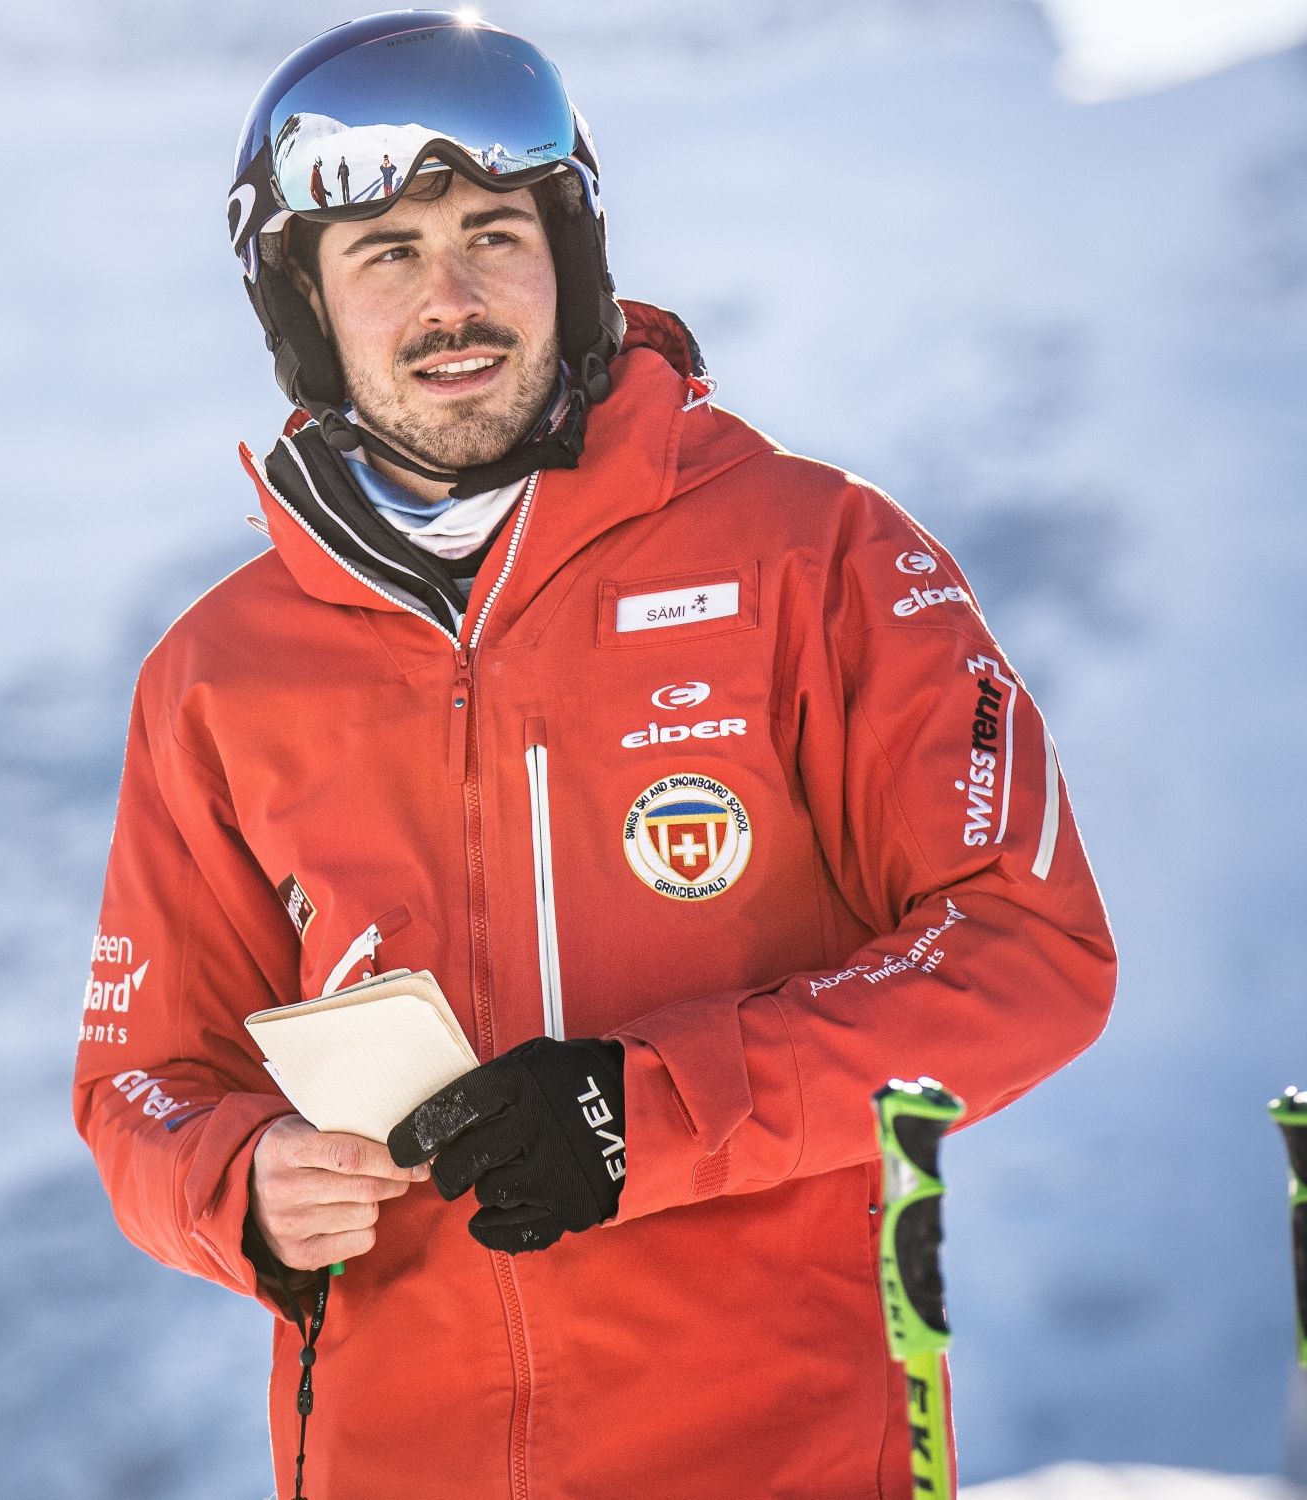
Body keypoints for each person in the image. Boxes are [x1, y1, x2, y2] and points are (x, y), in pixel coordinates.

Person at [74, 12, 1115, 1499]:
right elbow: (142, 1082)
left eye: (494, 234)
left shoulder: (811, 554)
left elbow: (1026, 955)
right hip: (385, 1458)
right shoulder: (219, 672)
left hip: (774, 1452)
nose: (452, 299)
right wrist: (239, 1183)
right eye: (384, 253)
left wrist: (648, 1110)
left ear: (572, 256)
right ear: (305, 308)